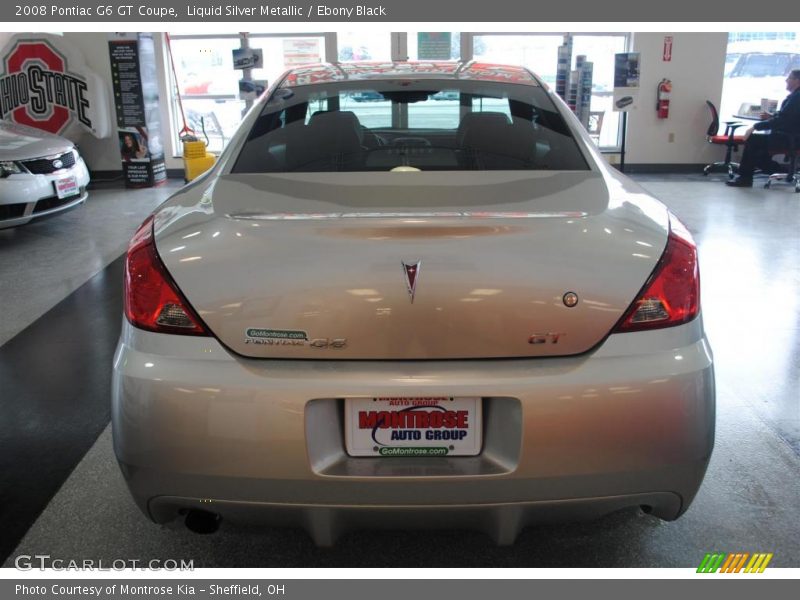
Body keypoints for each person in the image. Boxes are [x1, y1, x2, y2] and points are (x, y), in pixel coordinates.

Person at [727, 69, 800, 187]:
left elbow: (783, 120)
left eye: (789, 78)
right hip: (791, 136)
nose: (786, 80)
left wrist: (756, 126)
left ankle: (745, 178)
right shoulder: (795, 96)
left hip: (791, 139)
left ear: (797, 81)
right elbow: (788, 117)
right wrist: (773, 116)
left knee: (753, 140)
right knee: (759, 149)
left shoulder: (797, 97)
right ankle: (777, 169)